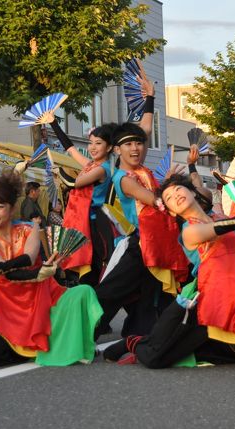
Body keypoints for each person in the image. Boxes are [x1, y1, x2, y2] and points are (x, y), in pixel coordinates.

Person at [105, 175, 235, 368]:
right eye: (169, 198)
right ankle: (131, 343)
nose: (175, 195)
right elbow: (220, 228)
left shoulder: (220, 217)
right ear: (172, 212)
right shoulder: (189, 231)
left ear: (193, 192)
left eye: (178, 189)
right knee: (155, 358)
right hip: (209, 302)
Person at [0, 172, 102, 368]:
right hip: (8, 306)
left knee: (84, 293)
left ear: (12, 209)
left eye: (0, 206)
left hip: (40, 298)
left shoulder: (29, 229)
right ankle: (32, 349)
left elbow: (28, 258)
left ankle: (54, 343)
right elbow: (12, 274)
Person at [93, 122, 189, 339]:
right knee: (110, 292)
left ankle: (143, 334)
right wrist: (170, 196)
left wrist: (150, 99)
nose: (135, 148)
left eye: (138, 143)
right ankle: (81, 331)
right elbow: (151, 199)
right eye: (128, 144)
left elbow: (157, 195)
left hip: (160, 243)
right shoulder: (123, 178)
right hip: (143, 244)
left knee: (150, 294)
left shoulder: (144, 171)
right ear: (117, 150)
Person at [49, 120, 118, 286]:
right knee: (84, 275)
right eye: (90, 143)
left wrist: (57, 171)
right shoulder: (91, 165)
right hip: (81, 223)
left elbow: (74, 183)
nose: (92, 147)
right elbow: (70, 149)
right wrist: (53, 123)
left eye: (98, 143)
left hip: (94, 225)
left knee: (91, 271)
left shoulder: (103, 169)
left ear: (109, 147)